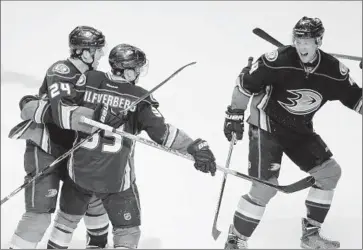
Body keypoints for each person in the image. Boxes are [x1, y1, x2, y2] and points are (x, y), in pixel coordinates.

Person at [20, 43, 217, 249]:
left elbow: (62, 104)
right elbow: (164, 134)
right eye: (138, 68)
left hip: (78, 175)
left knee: (65, 223)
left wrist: (33, 103)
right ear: (129, 70)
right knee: (128, 230)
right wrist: (194, 147)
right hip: (116, 181)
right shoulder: (139, 97)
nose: (139, 72)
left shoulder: (89, 79)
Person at [222, 16, 362, 249]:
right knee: (264, 187)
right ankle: (235, 240)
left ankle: (311, 235)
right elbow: (245, 84)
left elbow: (357, 100)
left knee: (329, 174)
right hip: (266, 123)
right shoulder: (276, 61)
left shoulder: (334, 72)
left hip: (298, 129)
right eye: (297, 39)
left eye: (307, 40)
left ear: (319, 41)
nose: (301, 45)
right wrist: (234, 114)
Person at [8, 25, 111, 249]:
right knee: (40, 213)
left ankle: (98, 244)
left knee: (93, 199)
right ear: (85, 52)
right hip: (46, 148)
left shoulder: (93, 77)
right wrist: (100, 116)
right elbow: (65, 116)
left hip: (75, 150)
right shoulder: (61, 70)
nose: (101, 54)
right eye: (98, 50)